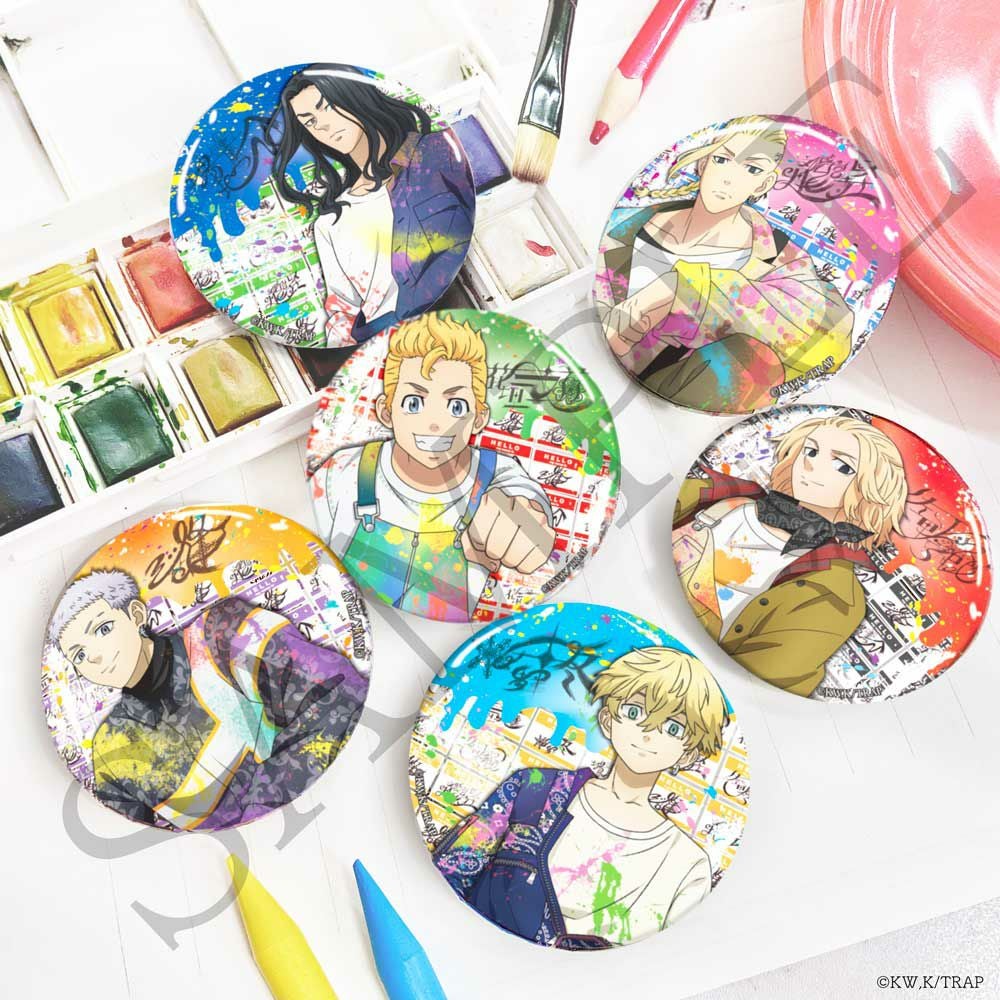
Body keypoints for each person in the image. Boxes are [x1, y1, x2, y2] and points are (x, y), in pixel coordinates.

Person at [432, 647, 729, 949]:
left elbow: (666, 957)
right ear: (608, 719)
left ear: (689, 753)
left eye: (673, 728)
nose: (647, 733)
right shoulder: (533, 791)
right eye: (634, 712)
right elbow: (448, 875)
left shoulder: (687, 864)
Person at [49, 569, 368, 830]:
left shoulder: (222, 631)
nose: (96, 656)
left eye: (103, 629)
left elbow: (338, 696)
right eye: (80, 655)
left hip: (345, 795)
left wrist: (255, 813)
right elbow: (140, 839)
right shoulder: (110, 750)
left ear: (135, 614)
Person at [595, 115, 854, 410]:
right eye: (721, 160)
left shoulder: (778, 255)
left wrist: (685, 289)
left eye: (752, 169)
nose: (729, 178)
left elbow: (832, 341)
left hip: (665, 404)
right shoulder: (625, 226)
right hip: (589, 363)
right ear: (703, 163)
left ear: (764, 183)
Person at [319, 312, 556, 621]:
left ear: (479, 418)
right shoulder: (343, 472)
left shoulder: (498, 474)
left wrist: (523, 531)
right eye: (414, 403)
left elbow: (527, 509)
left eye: (456, 406)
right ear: (386, 411)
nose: (434, 423)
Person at [673, 413, 909, 696]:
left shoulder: (834, 596)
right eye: (811, 451)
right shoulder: (723, 496)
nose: (811, 465)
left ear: (868, 492)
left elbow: (762, 677)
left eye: (842, 466)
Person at [269, 63, 474, 346]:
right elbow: (341, 311)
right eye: (310, 122)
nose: (323, 125)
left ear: (353, 97)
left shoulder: (432, 154)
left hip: (453, 314)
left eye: (327, 107)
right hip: (382, 341)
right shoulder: (331, 222)